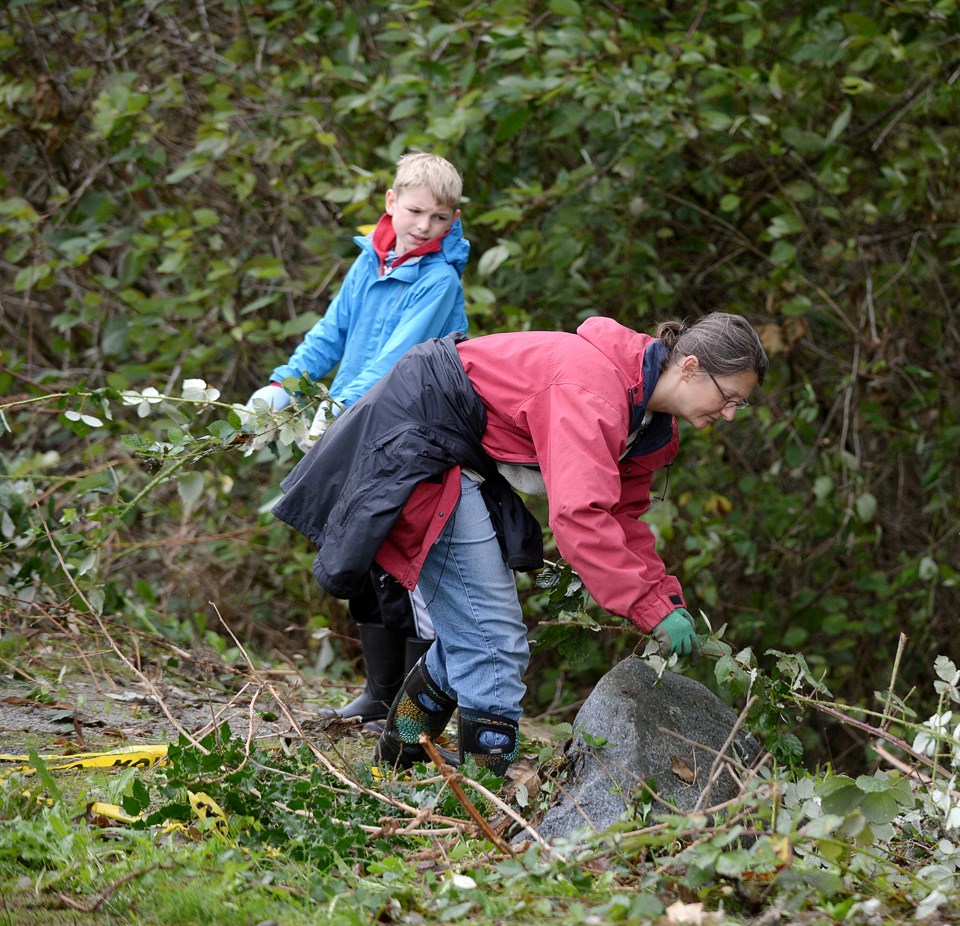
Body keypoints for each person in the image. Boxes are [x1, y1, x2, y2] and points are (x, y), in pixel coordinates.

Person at [271, 312, 768, 775]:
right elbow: (580, 516)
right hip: (424, 434)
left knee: (477, 634)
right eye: (730, 397)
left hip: (464, 453)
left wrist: (666, 601)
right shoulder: (593, 390)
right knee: (493, 642)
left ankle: (393, 764)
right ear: (691, 367)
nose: (729, 414)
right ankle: (480, 805)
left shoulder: (650, 426)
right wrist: (646, 608)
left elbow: (622, 517)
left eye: (738, 405)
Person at [246, 152, 470, 723]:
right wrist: (285, 384)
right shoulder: (368, 263)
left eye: (440, 218)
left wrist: (336, 409)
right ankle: (379, 693)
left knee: (404, 562)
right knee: (359, 552)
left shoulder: (439, 280)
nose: (425, 226)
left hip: (411, 433)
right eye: (416, 211)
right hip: (355, 423)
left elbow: (399, 361)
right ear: (391, 203)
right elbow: (331, 333)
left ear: (453, 218)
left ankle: (417, 710)